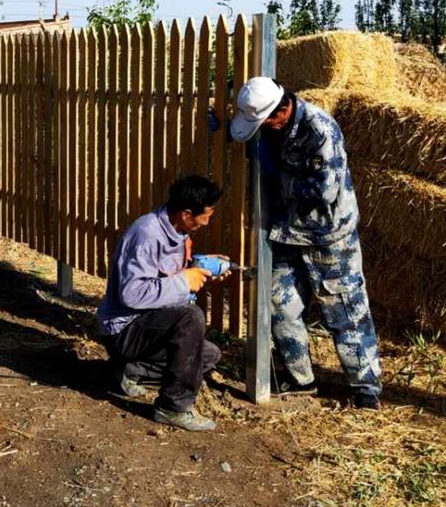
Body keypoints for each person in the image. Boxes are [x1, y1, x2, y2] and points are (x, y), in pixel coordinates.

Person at [229, 76, 383, 410]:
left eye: (264, 123)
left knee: (345, 310)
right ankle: (300, 378)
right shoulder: (269, 127)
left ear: (280, 113)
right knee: (279, 305)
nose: (262, 129)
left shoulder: (319, 130)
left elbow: (322, 192)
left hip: (327, 236)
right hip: (286, 232)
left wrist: (277, 177)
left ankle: (365, 386)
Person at [96, 175, 226, 432]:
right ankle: (173, 407)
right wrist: (184, 282)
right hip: (125, 329)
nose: (208, 222)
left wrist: (198, 267)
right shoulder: (147, 234)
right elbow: (132, 294)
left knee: (208, 355)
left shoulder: (177, 231)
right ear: (187, 213)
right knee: (191, 316)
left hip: (147, 328)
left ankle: (130, 370)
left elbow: (165, 275)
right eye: (206, 215)